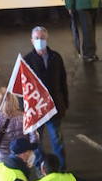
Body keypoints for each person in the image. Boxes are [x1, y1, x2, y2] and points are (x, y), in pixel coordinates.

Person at [23, 25, 70, 167]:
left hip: (54, 107)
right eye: (37, 38)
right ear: (32, 40)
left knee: (57, 140)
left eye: (42, 38)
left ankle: (62, 168)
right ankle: (40, 166)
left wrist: (65, 103)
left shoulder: (56, 57)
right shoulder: (27, 60)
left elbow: (63, 81)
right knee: (37, 142)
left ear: (47, 38)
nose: (40, 40)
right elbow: (24, 88)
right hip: (36, 109)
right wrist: (25, 109)